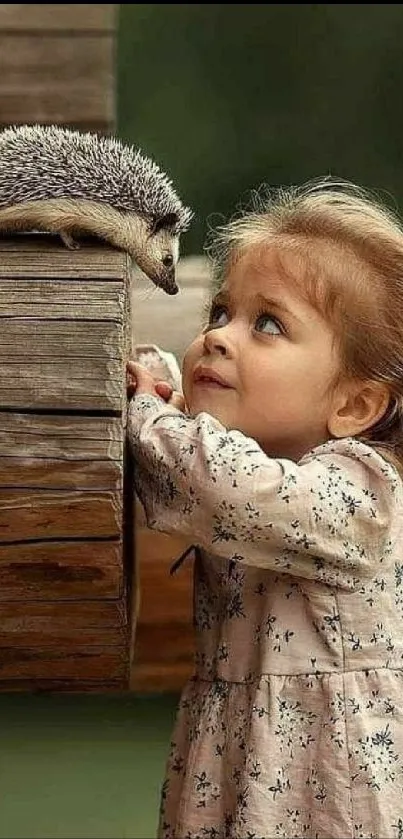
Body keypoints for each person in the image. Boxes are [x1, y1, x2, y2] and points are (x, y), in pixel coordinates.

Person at [126, 177, 403, 839]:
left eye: (266, 324)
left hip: (334, 794)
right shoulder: (232, 464)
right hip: (232, 764)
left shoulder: (360, 493)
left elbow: (223, 486)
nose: (219, 337)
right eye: (218, 313)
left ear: (353, 406)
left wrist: (144, 409)